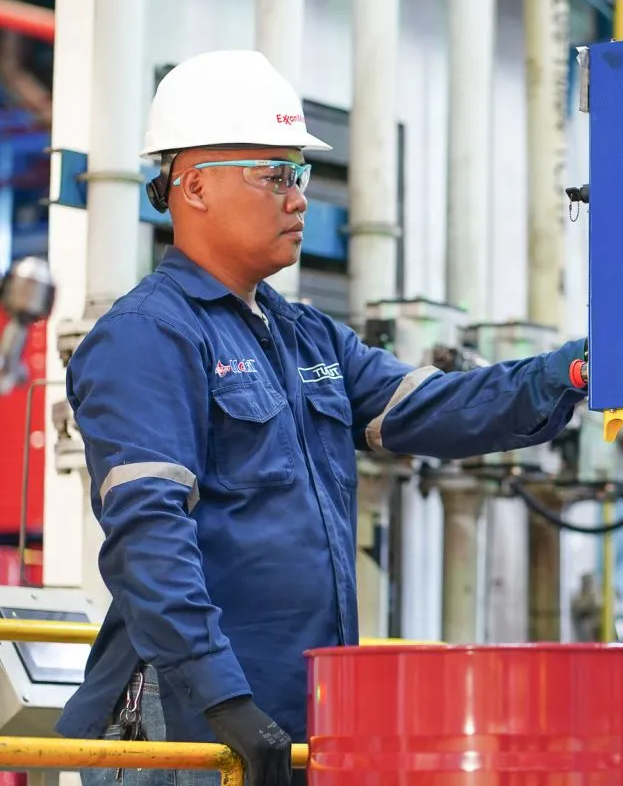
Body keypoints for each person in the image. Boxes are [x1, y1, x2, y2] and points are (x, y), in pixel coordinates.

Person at [54, 49, 589, 786]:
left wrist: (572, 371)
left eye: (299, 175)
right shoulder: (149, 336)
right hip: (190, 728)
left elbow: (437, 408)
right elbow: (149, 536)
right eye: (275, 175)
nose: (300, 199)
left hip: (296, 716)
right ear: (195, 186)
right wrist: (223, 699)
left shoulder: (304, 336)